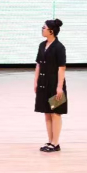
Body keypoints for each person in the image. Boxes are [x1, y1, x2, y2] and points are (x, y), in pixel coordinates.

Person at [34, 19, 67, 152]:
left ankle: (55, 143)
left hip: (54, 83)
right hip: (43, 83)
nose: (42, 29)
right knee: (47, 112)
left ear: (51, 31)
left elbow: (61, 68)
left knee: (55, 113)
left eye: (44, 28)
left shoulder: (59, 47)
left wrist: (59, 87)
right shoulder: (42, 45)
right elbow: (38, 64)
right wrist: (36, 81)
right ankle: (50, 140)